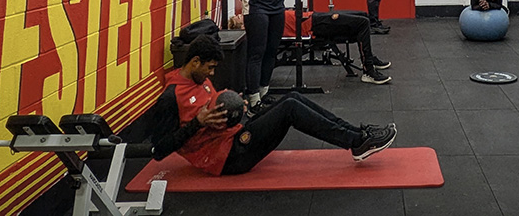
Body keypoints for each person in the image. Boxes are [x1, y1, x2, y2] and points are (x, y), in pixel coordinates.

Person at [150, 35, 397, 175]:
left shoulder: (199, 80)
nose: (212, 74)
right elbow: (159, 150)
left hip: (234, 136)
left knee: (293, 98)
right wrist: (197, 123)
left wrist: (237, 109)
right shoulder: (170, 98)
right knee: (290, 110)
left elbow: (217, 111)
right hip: (229, 158)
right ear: (194, 61)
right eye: (210, 67)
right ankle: (355, 143)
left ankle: (358, 135)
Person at [281, 9, 392, 84]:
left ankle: (369, 58)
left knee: (362, 15)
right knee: (362, 22)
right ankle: (368, 70)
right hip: (312, 26)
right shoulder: (269, 19)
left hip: (312, 17)